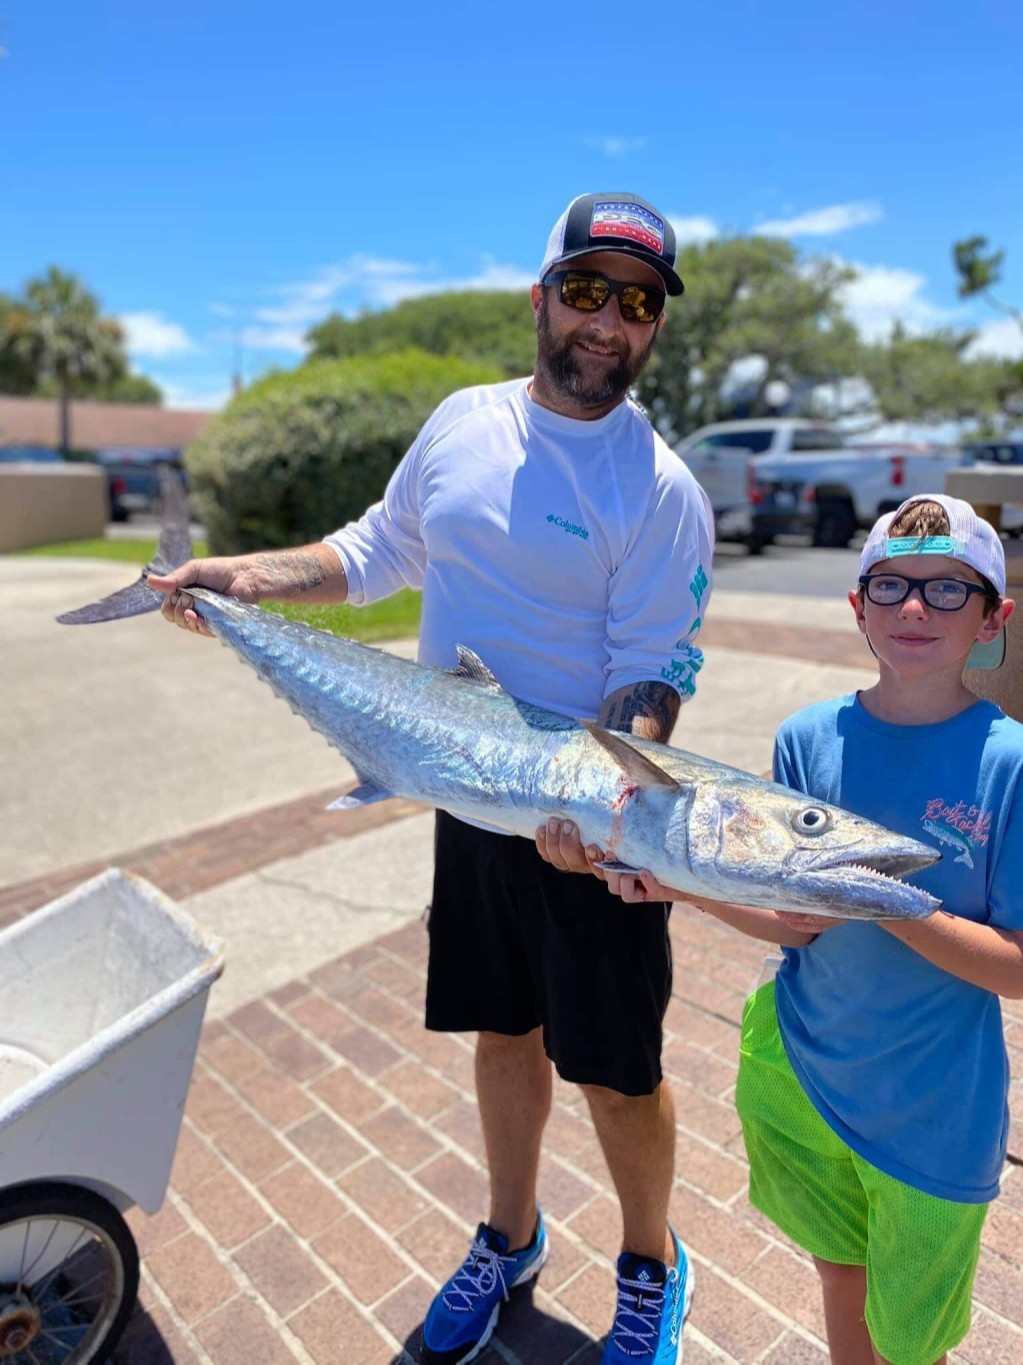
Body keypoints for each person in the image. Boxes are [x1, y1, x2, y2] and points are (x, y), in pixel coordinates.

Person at [149, 191, 715, 1365]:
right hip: (467, 798)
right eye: (586, 289)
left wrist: (604, 816)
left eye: (638, 301)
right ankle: (509, 1237)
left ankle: (653, 1261)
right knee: (501, 1033)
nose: (608, 320)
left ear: (656, 326)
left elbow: (648, 678)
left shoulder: (660, 490)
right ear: (542, 295)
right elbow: (376, 553)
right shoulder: (464, 422)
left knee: (616, 1071)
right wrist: (241, 582)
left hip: (588, 823)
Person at [592, 493, 1022, 1365]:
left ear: (992, 617)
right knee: (838, 1277)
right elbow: (796, 927)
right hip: (802, 1071)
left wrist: (895, 900)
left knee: (911, 1336)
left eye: (947, 590)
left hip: (931, 1109)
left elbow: (1015, 970)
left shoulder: (1008, 762)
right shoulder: (806, 739)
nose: (913, 606)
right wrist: (674, 884)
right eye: (891, 585)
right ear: (856, 606)